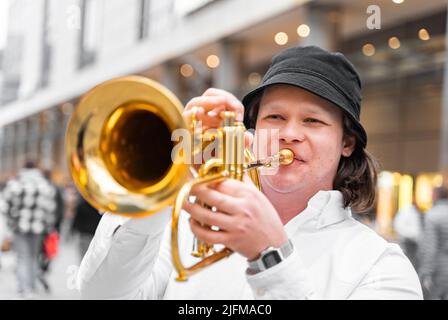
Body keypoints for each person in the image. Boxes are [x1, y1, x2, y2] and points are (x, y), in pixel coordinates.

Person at [77, 45, 422, 299]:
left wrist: (270, 255)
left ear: (346, 142)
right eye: (274, 117)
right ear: (252, 132)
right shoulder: (187, 226)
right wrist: (162, 185)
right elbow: (99, 294)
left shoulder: (380, 264)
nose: (289, 133)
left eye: (312, 121)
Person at [2, 160, 58, 297]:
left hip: (19, 228)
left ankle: (23, 287)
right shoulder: (44, 185)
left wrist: (12, 220)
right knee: (33, 257)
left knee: (22, 257)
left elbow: (4, 206)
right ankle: (32, 286)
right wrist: (47, 225)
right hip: (38, 228)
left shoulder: (15, 184)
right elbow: (51, 209)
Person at [418, 186, 448, 299]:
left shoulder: (432, 215)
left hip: (438, 269)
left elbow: (430, 247)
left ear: (435, 196)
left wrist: (425, 272)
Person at [71, 193, 101, 262]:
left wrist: (73, 231)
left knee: (83, 257)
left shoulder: (82, 205)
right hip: (94, 235)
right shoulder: (99, 208)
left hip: (84, 235)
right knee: (92, 258)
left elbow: (77, 220)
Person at [393, 202, 422, 268]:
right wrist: (412, 235)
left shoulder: (414, 213)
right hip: (408, 241)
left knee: (413, 261)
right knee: (409, 261)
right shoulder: (407, 212)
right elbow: (400, 227)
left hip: (413, 242)